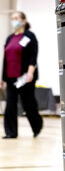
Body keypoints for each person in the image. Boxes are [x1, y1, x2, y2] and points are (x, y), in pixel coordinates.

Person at [0, 11, 43, 139]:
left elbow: (33, 56)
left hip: (25, 77)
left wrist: (30, 72)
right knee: (10, 105)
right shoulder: (10, 38)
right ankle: (11, 132)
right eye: (12, 18)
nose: (14, 20)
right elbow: (6, 59)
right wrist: (3, 78)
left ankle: (37, 126)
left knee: (28, 104)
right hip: (11, 77)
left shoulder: (30, 36)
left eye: (16, 18)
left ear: (23, 21)